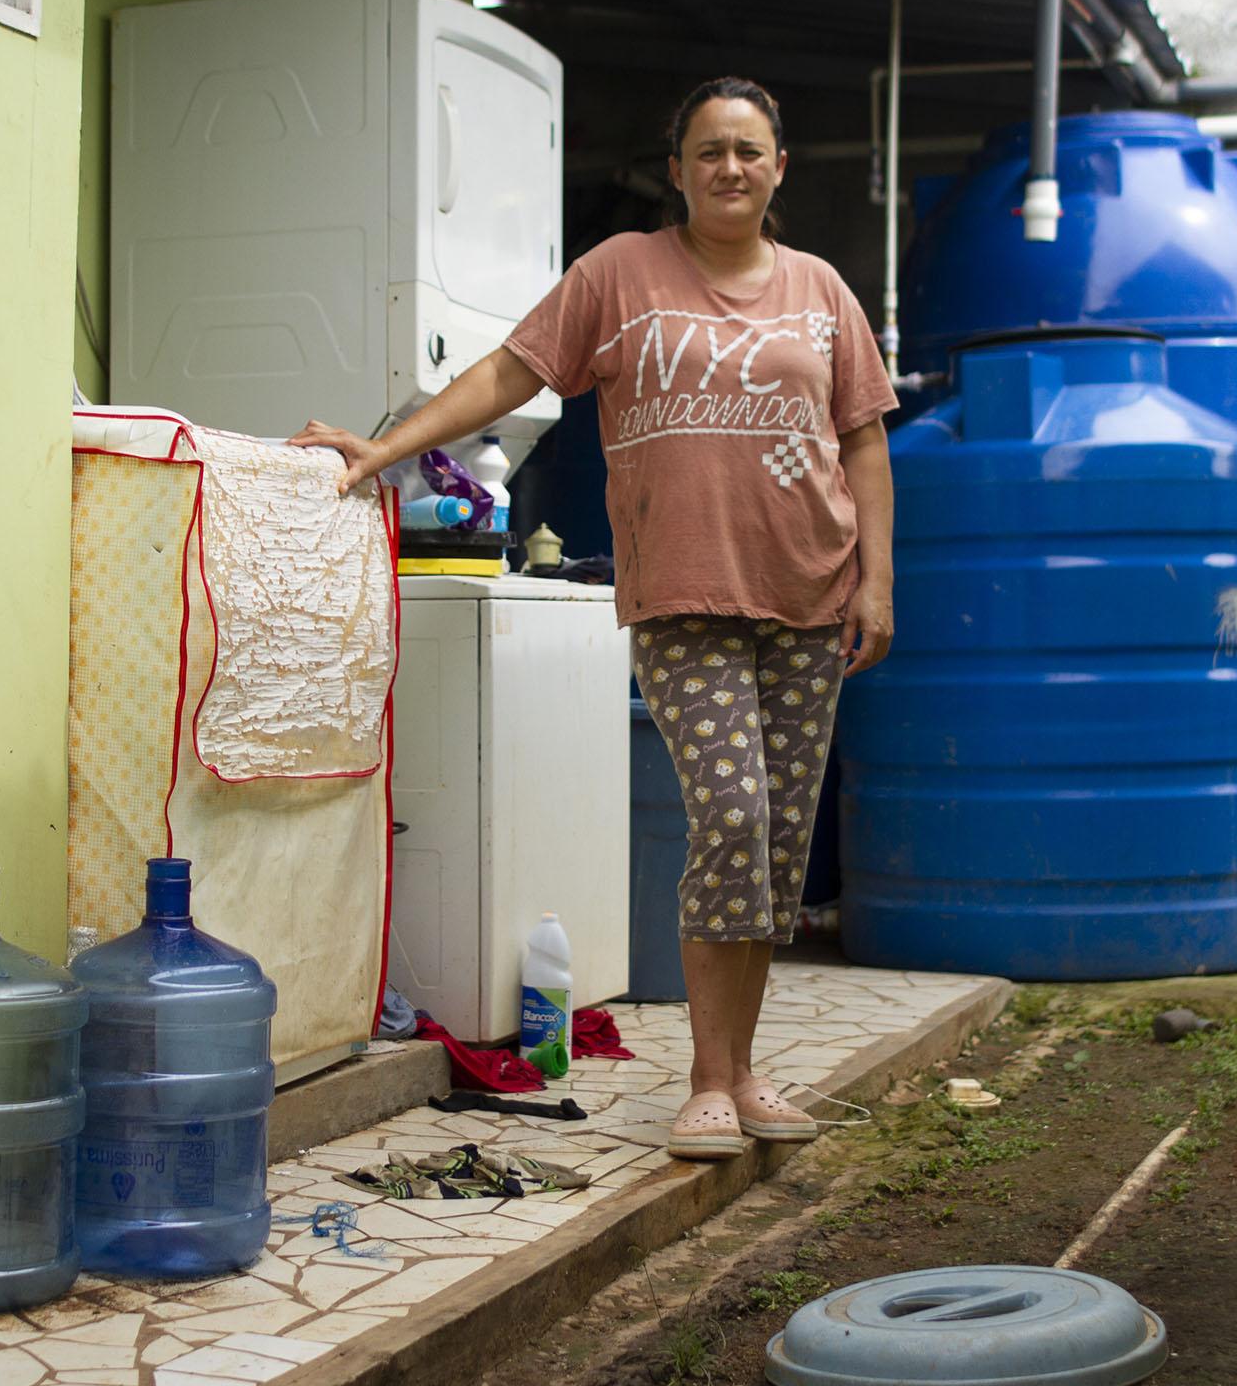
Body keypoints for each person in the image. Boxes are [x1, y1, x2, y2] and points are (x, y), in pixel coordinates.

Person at [294, 77, 896, 1160]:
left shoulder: (820, 290)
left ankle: (747, 1072)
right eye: (708, 150)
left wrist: (877, 581)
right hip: (683, 594)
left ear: (777, 169)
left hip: (810, 592)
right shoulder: (618, 274)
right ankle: (708, 1082)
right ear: (677, 170)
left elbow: (863, 439)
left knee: (774, 847)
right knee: (730, 815)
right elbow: (507, 371)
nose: (729, 168)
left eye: (749, 151)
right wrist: (386, 448)